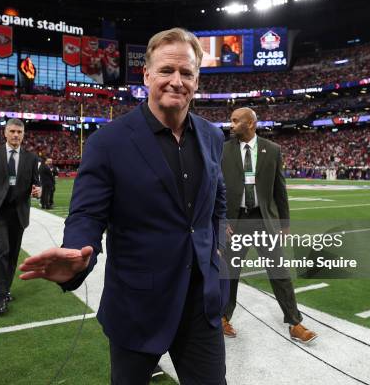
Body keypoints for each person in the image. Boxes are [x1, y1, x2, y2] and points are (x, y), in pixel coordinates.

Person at [19, 28, 228, 384]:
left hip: (200, 304)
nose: (176, 81)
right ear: (146, 75)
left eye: (187, 73)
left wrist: (217, 247)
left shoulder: (211, 135)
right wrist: (77, 252)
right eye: (166, 71)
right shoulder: (108, 141)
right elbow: (87, 213)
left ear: (197, 79)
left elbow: (217, 199)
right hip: (138, 305)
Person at [221, 107, 317, 344]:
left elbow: (279, 189)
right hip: (236, 221)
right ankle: (222, 317)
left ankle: (295, 323)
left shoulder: (272, 150)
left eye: (236, 121)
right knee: (229, 273)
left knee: (280, 272)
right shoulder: (223, 150)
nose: (231, 125)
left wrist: (284, 223)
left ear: (250, 123)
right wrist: (221, 220)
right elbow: (216, 188)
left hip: (264, 221)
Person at [0, 119, 41, 316]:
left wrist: (38, 190)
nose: (15, 135)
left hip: (19, 213)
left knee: (12, 254)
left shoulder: (31, 158)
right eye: (12, 131)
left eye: (19, 132)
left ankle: (6, 288)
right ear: (5, 133)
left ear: (23, 134)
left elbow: (36, 184)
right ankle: (1, 294)